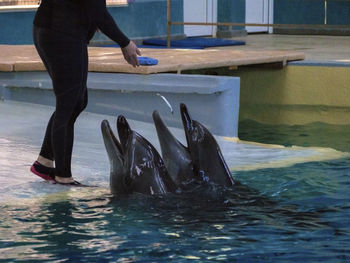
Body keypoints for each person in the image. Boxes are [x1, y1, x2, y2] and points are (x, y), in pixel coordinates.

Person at [30, 0, 141, 185]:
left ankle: (45, 161)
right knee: (69, 103)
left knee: (77, 100)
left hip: (48, 30)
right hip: (63, 36)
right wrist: (125, 43)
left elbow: (89, 8)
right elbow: (98, 12)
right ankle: (63, 176)